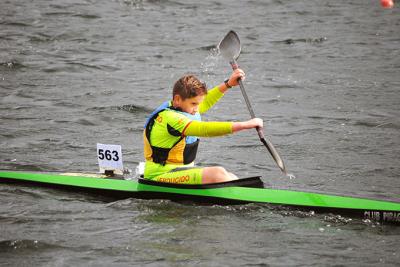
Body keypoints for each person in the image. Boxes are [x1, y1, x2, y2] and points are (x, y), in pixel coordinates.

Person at [143, 68, 263, 184]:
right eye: (194, 104)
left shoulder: (182, 106)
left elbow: (205, 101)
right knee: (218, 174)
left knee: (229, 176)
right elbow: (204, 129)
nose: (197, 109)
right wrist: (245, 125)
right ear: (177, 99)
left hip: (180, 172)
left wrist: (228, 84)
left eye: (198, 104)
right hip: (160, 176)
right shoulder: (170, 117)